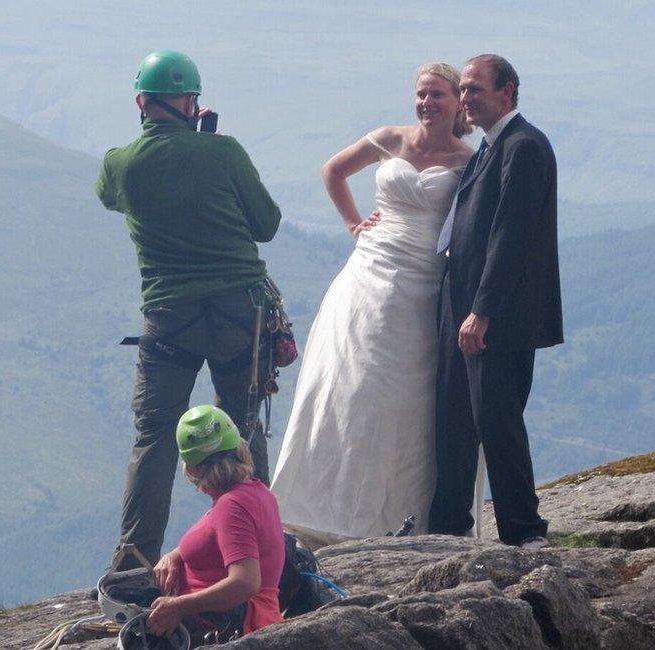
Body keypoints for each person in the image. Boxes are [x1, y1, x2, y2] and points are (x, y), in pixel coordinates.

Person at [271, 63, 484, 541]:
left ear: (457, 103)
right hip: (368, 271)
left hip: (425, 282)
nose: (427, 103)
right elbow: (334, 170)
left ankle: (397, 513)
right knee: (349, 383)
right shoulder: (390, 137)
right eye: (421, 94)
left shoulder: (470, 160)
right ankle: (320, 504)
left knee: (406, 397)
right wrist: (353, 224)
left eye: (438, 95)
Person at [95, 50, 282, 569]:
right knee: (242, 425)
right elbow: (266, 225)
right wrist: (207, 149)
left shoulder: (120, 163)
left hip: (169, 316)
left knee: (154, 438)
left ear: (141, 100)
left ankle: (133, 562)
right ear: (192, 102)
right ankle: (262, 554)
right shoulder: (224, 153)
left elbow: (110, 198)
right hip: (239, 311)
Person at [429, 54, 563, 549]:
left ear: (507, 92)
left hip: (497, 317)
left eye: (475, 89)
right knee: (456, 419)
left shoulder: (524, 146)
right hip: (461, 306)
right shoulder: (490, 146)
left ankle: (526, 534)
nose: (465, 98)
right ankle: (449, 525)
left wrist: (482, 312)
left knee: (497, 420)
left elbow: (511, 238)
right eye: (462, 89)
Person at [147, 405, 285, 641]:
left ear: (191, 468)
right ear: (238, 447)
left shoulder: (231, 506)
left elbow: (245, 583)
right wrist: (175, 555)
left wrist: (179, 606)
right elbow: (217, 537)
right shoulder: (253, 491)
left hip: (228, 624)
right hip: (234, 616)